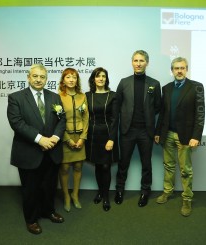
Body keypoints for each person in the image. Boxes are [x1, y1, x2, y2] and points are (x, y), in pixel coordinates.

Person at [7, 64, 66, 235]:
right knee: (30, 189)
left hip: (52, 150)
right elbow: (17, 123)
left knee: (49, 186)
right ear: (28, 77)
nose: (39, 79)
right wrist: (40, 139)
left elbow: (62, 120)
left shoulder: (55, 97)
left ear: (46, 79)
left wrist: (54, 138)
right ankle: (31, 220)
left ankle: (49, 211)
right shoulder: (16, 97)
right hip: (29, 152)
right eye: (35, 76)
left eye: (42, 77)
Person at [155, 57, 205, 217]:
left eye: (182, 68)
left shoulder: (196, 87)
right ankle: (167, 192)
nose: (179, 71)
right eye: (176, 68)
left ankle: (187, 198)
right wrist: (158, 132)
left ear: (186, 69)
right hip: (168, 134)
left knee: (186, 170)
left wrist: (196, 136)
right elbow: (162, 113)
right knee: (168, 166)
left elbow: (200, 113)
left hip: (186, 136)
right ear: (172, 70)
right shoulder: (167, 88)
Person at [114, 50, 161, 207]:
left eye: (142, 60)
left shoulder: (154, 84)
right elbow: (117, 105)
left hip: (146, 132)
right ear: (132, 62)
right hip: (127, 130)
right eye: (136, 60)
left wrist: (147, 117)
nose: (138, 63)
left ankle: (145, 192)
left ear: (147, 62)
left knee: (146, 164)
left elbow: (158, 107)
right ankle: (119, 190)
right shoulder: (124, 82)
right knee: (123, 163)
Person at [86, 67, 119, 212]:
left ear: (106, 79)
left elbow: (115, 119)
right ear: (93, 79)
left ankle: (105, 196)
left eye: (103, 76)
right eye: (98, 76)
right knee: (98, 165)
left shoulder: (113, 95)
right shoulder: (87, 95)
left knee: (106, 166)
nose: (101, 79)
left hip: (107, 134)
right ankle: (100, 191)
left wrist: (111, 139)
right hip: (92, 135)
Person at [58, 68, 89, 212]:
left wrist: (83, 137)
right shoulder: (58, 97)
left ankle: (75, 194)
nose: (71, 80)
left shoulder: (82, 96)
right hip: (65, 137)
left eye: (74, 77)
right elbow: (57, 121)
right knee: (64, 168)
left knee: (78, 167)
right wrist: (67, 139)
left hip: (80, 137)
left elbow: (86, 118)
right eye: (68, 77)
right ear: (63, 80)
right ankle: (66, 196)